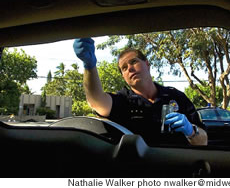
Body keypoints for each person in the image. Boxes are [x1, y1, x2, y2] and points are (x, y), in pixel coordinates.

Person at [73, 38, 208, 146]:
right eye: (124, 68)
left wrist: (191, 131)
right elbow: (96, 101)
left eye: (134, 62)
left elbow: (203, 141)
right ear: (123, 77)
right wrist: (89, 66)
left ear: (147, 64)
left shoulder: (176, 96)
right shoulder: (122, 100)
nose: (130, 69)